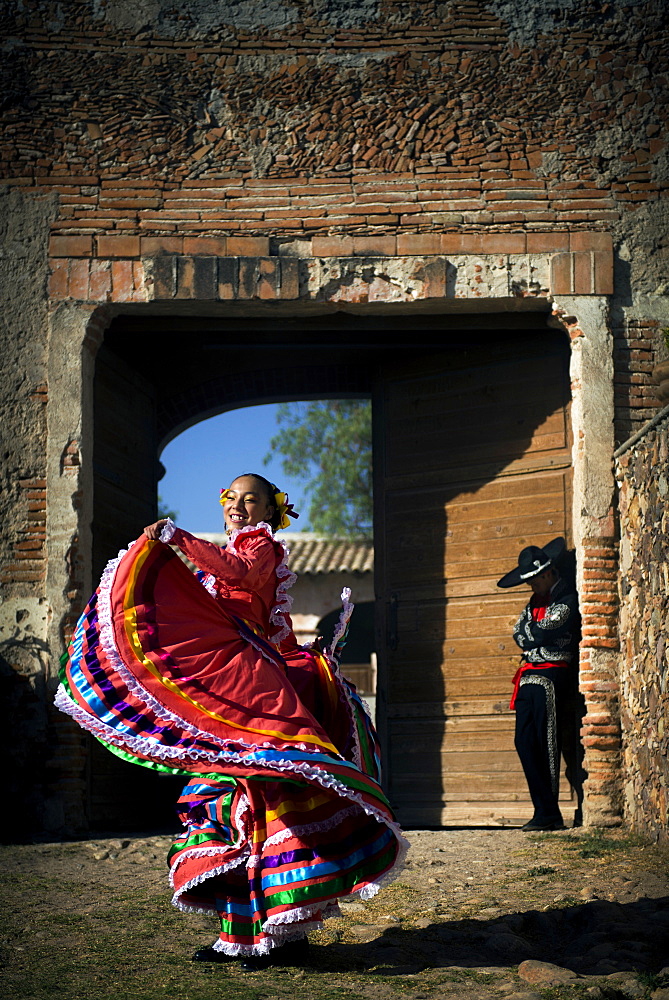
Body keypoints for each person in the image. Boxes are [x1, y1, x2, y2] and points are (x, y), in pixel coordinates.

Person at [56, 473, 406, 970]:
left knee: (268, 802)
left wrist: (179, 539)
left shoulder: (260, 546)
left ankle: (286, 936)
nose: (239, 506)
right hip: (234, 678)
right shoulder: (223, 550)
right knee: (229, 803)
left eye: (251, 500)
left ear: (269, 511)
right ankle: (240, 937)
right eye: (231, 498)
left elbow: (238, 573)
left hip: (253, 681)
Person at [497, 537, 580, 832]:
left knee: (547, 743)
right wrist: (531, 634)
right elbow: (519, 634)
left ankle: (550, 813)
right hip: (528, 679)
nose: (531, 586)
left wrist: (531, 634)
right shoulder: (535, 601)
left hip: (552, 679)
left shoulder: (568, 599)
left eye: (533, 580)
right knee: (523, 741)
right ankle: (542, 809)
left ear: (547, 573)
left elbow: (539, 635)